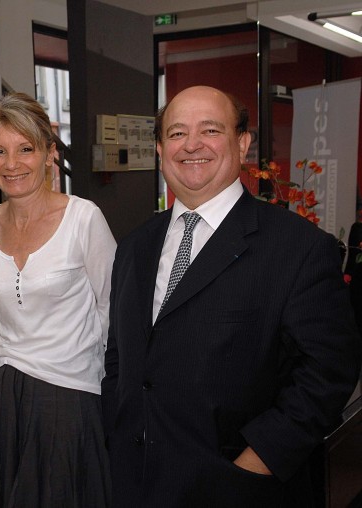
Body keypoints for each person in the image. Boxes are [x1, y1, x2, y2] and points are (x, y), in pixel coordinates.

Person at [101, 85, 361, 507]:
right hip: (137, 484)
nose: (192, 145)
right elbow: (121, 360)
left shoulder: (298, 248)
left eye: (210, 130)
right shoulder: (134, 246)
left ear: (242, 143)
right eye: (177, 133)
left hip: (238, 490)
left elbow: (328, 373)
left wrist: (254, 464)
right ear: (161, 149)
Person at [0, 92, 115, 507]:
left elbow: (113, 313)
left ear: (49, 153)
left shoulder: (83, 218)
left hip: (70, 399)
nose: (12, 164)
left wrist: (109, 398)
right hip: (7, 400)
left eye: (25, 149)